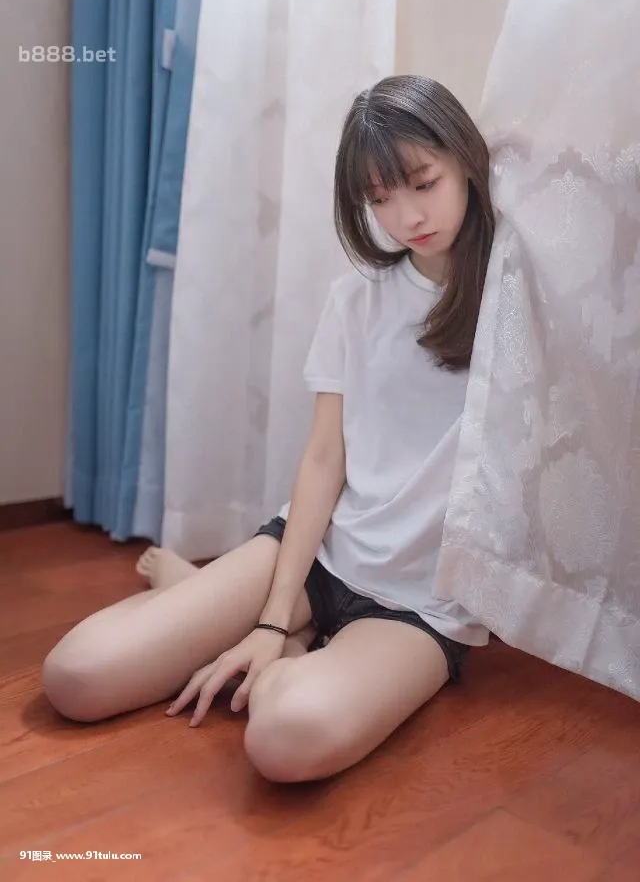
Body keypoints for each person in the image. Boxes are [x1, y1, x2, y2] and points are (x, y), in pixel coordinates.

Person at [42, 75, 494, 783]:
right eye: (380, 198)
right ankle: (271, 625)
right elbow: (323, 459)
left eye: (423, 183)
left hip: (420, 605)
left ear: (466, 158)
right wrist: (273, 616)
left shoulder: (516, 300)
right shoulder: (356, 300)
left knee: (285, 741)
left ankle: (256, 626)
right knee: (76, 677)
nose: (406, 216)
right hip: (316, 553)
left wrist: (276, 640)